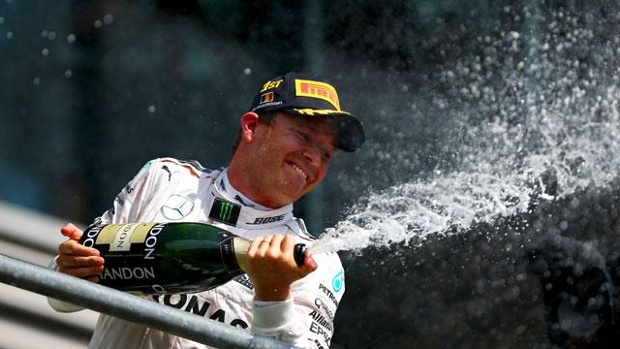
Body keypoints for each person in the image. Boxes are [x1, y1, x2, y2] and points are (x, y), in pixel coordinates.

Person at [48, 72, 365, 349]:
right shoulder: (163, 180)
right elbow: (60, 299)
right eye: (304, 135)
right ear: (253, 126)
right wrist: (70, 271)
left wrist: (273, 293)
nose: (314, 158)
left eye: (326, 153)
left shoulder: (316, 260)